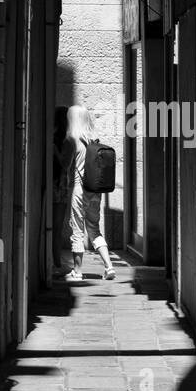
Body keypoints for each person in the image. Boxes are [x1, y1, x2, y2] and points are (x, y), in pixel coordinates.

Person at [61, 105, 115, 282]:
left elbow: (65, 165)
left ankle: (77, 271)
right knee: (94, 229)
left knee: (76, 229)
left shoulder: (72, 140)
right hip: (94, 192)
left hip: (79, 190)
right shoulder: (93, 139)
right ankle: (109, 266)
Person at [52, 106, 72, 276]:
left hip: (59, 185)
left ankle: (56, 261)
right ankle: (56, 262)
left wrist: (55, 151)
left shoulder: (67, 142)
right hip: (58, 186)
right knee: (57, 227)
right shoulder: (67, 141)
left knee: (57, 227)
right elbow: (65, 165)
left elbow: (64, 164)